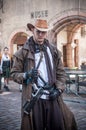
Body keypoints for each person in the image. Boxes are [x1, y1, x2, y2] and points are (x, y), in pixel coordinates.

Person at [11, 19, 77, 130]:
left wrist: (58, 90)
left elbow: (61, 73)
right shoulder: (22, 52)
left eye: (44, 32)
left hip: (53, 97)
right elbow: (14, 74)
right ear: (33, 30)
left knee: (59, 125)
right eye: (38, 31)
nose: (41, 35)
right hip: (34, 99)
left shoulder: (53, 51)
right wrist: (26, 75)